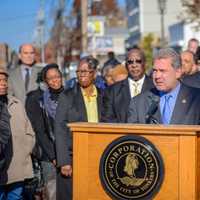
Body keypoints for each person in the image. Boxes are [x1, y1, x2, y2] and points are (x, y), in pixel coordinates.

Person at [54, 56, 104, 200]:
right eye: (79, 72)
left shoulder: (102, 95)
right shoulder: (67, 96)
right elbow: (60, 128)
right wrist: (64, 162)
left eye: (85, 71)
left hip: (97, 156)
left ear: (94, 73)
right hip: (73, 156)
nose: (81, 75)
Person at [127, 48, 200, 125]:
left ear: (178, 72)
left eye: (162, 71)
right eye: (155, 70)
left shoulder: (196, 99)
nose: (157, 76)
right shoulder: (138, 103)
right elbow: (133, 136)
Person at [26, 63, 64, 200]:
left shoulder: (70, 95)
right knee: (52, 191)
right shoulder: (39, 100)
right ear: (45, 81)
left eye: (57, 76)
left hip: (70, 152)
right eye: (51, 78)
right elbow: (40, 131)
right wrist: (54, 156)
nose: (55, 80)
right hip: (49, 155)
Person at [0, 66, 35, 200]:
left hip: (17, 165)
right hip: (1, 166)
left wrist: (26, 149)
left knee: (16, 197)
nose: (3, 83)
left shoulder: (16, 103)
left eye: (5, 80)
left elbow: (29, 131)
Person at [101, 47, 154, 123]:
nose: (134, 65)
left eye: (138, 61)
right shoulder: (112, 91)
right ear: (126, 65)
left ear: (145, 64)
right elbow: (107, 120)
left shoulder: (156, 88)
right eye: (130, 62)